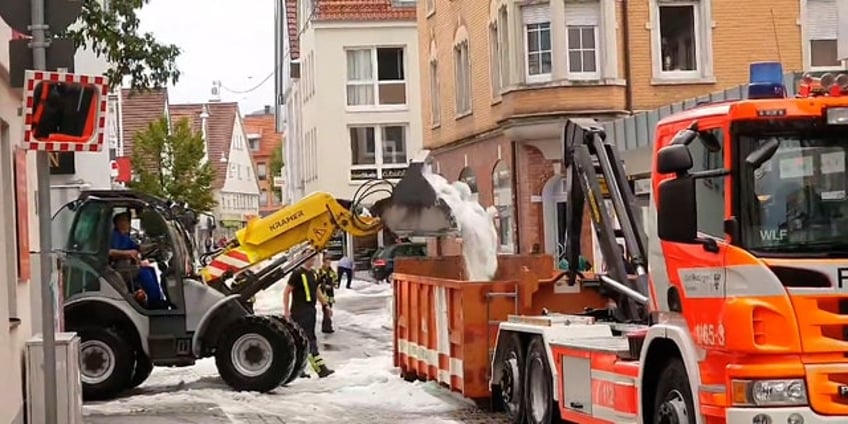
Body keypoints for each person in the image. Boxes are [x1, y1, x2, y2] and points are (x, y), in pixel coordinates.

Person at [284, 255, 335, 378]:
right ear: (304, 259)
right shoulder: (297, 273)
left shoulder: (313, 274)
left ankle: (300, 369)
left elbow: (317, 291)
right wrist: (286, 311)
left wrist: (325, 305)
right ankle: (319, 369)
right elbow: (287, 291)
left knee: (305, 339)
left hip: (310, 310)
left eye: (313, 258)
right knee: (307, 339)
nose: (312, 261)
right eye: (310, 258)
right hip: (299, 310)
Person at [109, 212, 168, 309]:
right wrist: (127, 253)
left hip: (128, 267)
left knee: (150, 269)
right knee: (145, 273)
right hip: (119, 269)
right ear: (119, 222)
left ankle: (157, 299)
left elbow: (138, 248)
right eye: (126, 221)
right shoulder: (114, 236)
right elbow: (109, 252)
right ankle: (155, 303)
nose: (129, 224)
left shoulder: (125, 237)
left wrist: (154, 245)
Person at [317, 255, 340, 334]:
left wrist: (334, 284)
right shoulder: (320, 271)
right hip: (323, 294)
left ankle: (326, 326)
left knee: (328, 310)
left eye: (329, 263)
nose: (328, 264)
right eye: (327, 263)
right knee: (326, 310)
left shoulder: (332, 272)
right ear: (323, 262)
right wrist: (323, 285)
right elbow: (316, 283)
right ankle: (327, 327)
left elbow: (336, 281)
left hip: (330, 294)